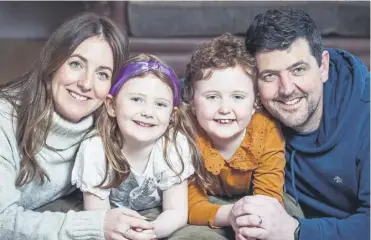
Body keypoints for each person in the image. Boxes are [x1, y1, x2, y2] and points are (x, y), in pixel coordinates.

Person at [0, 12, 156, 240]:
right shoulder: (5, 119)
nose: (85, 84)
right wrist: (95, 225)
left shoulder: (106, 122)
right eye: (76, 64)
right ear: (53, 62)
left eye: (102, 74)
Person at [230, 8, 370, 240]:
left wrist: (296, 231)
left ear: (322, 66)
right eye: (270, 76)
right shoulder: (250, 106)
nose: (286, 89)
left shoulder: (365, 113)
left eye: (298, 69)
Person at [71, 53, 200, 239]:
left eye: (160, 104)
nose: (148, 112)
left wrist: (152, 231)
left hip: (153, 222)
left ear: (172, 116)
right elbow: (98, 217)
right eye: (136, 99)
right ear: (112, 105)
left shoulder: (173, 145)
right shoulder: (95, 149)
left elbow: (176, 211)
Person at [177, 32, 286, 239]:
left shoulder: (266, 132)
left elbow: (269, 198)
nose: (225, 108)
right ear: (192, 101)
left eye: (237, 97)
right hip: (209, 207)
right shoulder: (184, 132)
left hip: (255, 200)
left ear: (256, 103)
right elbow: (188, 205)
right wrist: (231, 215)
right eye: (212, 97)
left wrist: (252, 223)